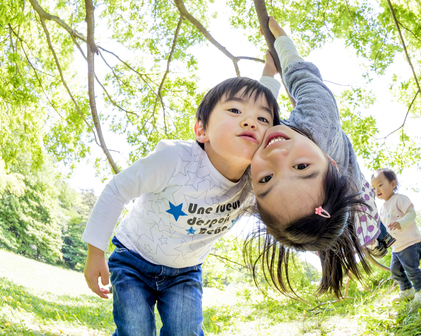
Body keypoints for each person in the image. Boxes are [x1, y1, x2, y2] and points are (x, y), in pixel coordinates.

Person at [81, 61, 280, 336]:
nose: (250, 121)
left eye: (262, 120)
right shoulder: (175, 159)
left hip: (185, 273)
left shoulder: (256, 183)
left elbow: (267, 103)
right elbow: (117, 189)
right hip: (132, 259)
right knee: (135, 331)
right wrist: (96, 252)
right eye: (234, 110)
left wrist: (270, 74)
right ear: (202, 131)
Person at [245, 17, 393, 297]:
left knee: (314, 231)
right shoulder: (319, 115)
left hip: (327, 210)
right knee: (349, 224)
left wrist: (268, 72)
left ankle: (357, 245)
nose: (276, 157)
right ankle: (376, 238)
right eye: (301, 166)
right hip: (350, 182)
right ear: (329, 162)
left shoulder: (251, 150)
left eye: (266, 178)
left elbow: (259, 108)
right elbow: (300, 73)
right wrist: (281, 38)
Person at [371, 168, 421, 302]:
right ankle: (407, 291)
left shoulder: (399, 199)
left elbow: (412, 213)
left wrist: (401, 222)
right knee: (395, 271)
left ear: (393, 184)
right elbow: (385, 229)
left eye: (380, 185)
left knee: (411, 269)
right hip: (397, 247)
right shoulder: (383, 208)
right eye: (374, 188)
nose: (377, 190)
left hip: (410, 243)